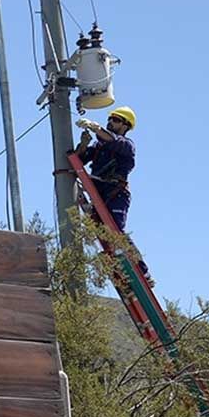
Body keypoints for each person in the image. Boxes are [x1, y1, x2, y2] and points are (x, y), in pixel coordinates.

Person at [74, 105, 151, 283]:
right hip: (99, 191)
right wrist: (84, 144)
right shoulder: (100, 146)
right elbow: (80, 160)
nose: (110, 122)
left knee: (115, 230)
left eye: (115, 120)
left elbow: (112, 140)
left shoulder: (126, 145)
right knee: (100, 230)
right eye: (109, 119)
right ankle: (116, 269)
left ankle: (142, 270)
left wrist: (95, 127)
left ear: (125, 126)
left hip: (116, 193)